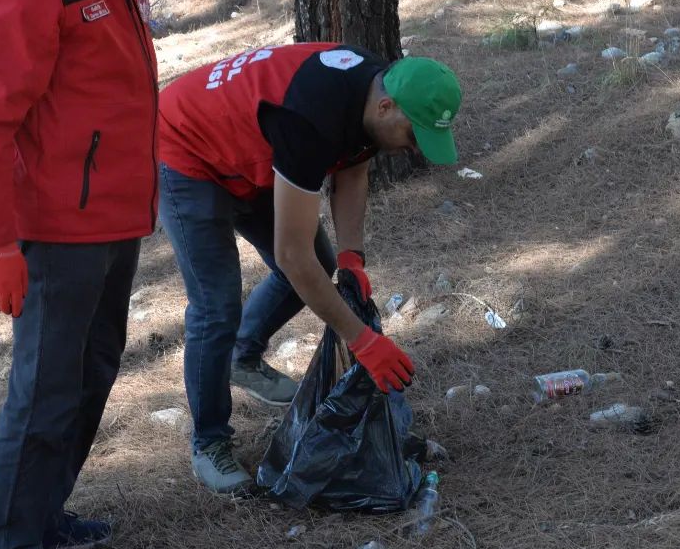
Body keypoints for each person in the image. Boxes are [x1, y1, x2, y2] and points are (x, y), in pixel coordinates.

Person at [0, 0, 207, 549]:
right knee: (44, 388)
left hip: (109, 220)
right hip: (54, 230)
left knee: (92, 370)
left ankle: (40, 516)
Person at [157, 42, 463, 493]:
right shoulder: (310, 119)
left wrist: (351, 257)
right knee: (216, 304)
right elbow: (290, 256)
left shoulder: (373, 89)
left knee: (320, 261)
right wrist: (362, 341)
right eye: (414, 134)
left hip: (253, 148)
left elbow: (353, 167)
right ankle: (209, 443)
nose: (414, 148)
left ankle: (242, 357)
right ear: (385, 106)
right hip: (187, 148)